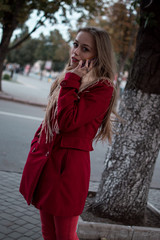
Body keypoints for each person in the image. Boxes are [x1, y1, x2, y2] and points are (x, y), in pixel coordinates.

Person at [19, 26, 117, 240]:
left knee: (64, 235)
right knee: (48, 233)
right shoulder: (67, 77)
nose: (76, 52)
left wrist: (71, 81)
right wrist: (36, 144)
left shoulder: (102, 87)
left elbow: (66, 122)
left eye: (85, 49)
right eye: (75, 45)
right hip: (46, 163)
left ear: (98, 55)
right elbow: (50, 120)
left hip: (68, 171)